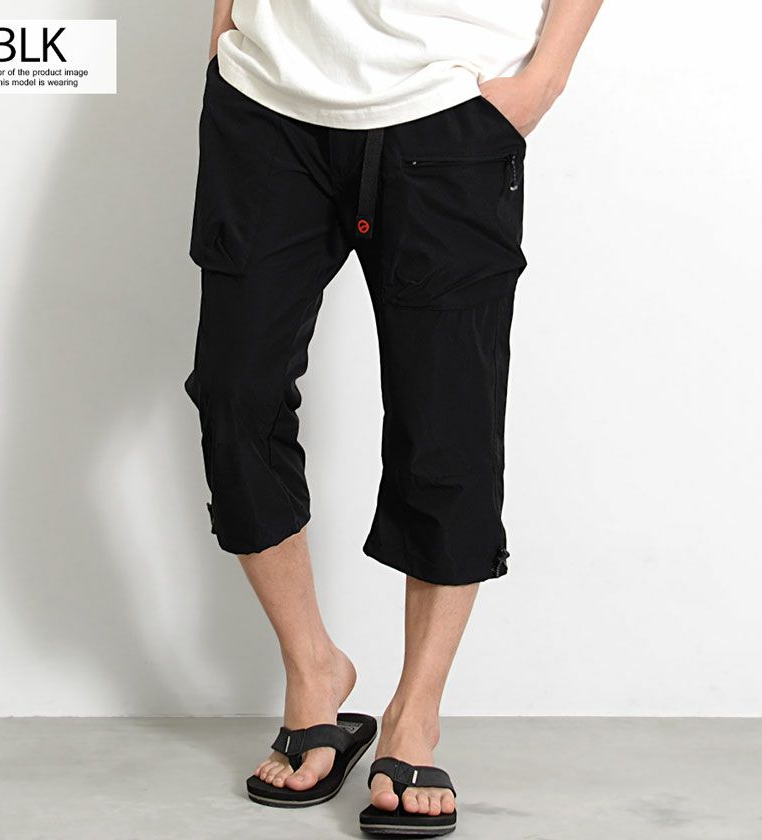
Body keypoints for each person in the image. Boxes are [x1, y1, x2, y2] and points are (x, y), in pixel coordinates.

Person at [185, 0, 602, 835]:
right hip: (265, 99)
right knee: (235, 395)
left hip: (449, 109)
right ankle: (314, 671)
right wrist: (227, 24)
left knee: (448, 422)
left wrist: (544, 79)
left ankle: (415, 713)